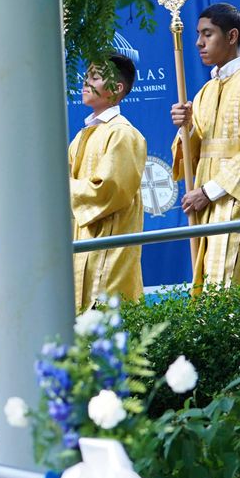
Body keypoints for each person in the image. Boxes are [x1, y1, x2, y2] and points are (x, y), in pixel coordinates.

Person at [171, 2, 240, 292]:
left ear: (232, 36)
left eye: (207, 34)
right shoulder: (206, 91)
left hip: (237, 202)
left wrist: (208, 192)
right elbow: (194, 148)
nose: (198, 42)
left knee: (229, 288)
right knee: (208, 285)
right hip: (204, 201)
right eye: (198, 34)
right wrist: (188, 126)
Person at [70, 54, 147, 311]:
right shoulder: (83, 135)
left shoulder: (123, 134)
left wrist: (59, 189)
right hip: (81, 244)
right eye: (86, 76)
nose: (86, 83)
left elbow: (109, 190)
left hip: (110, 248)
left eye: (95, 77)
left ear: (117, 88)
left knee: (108, 323)